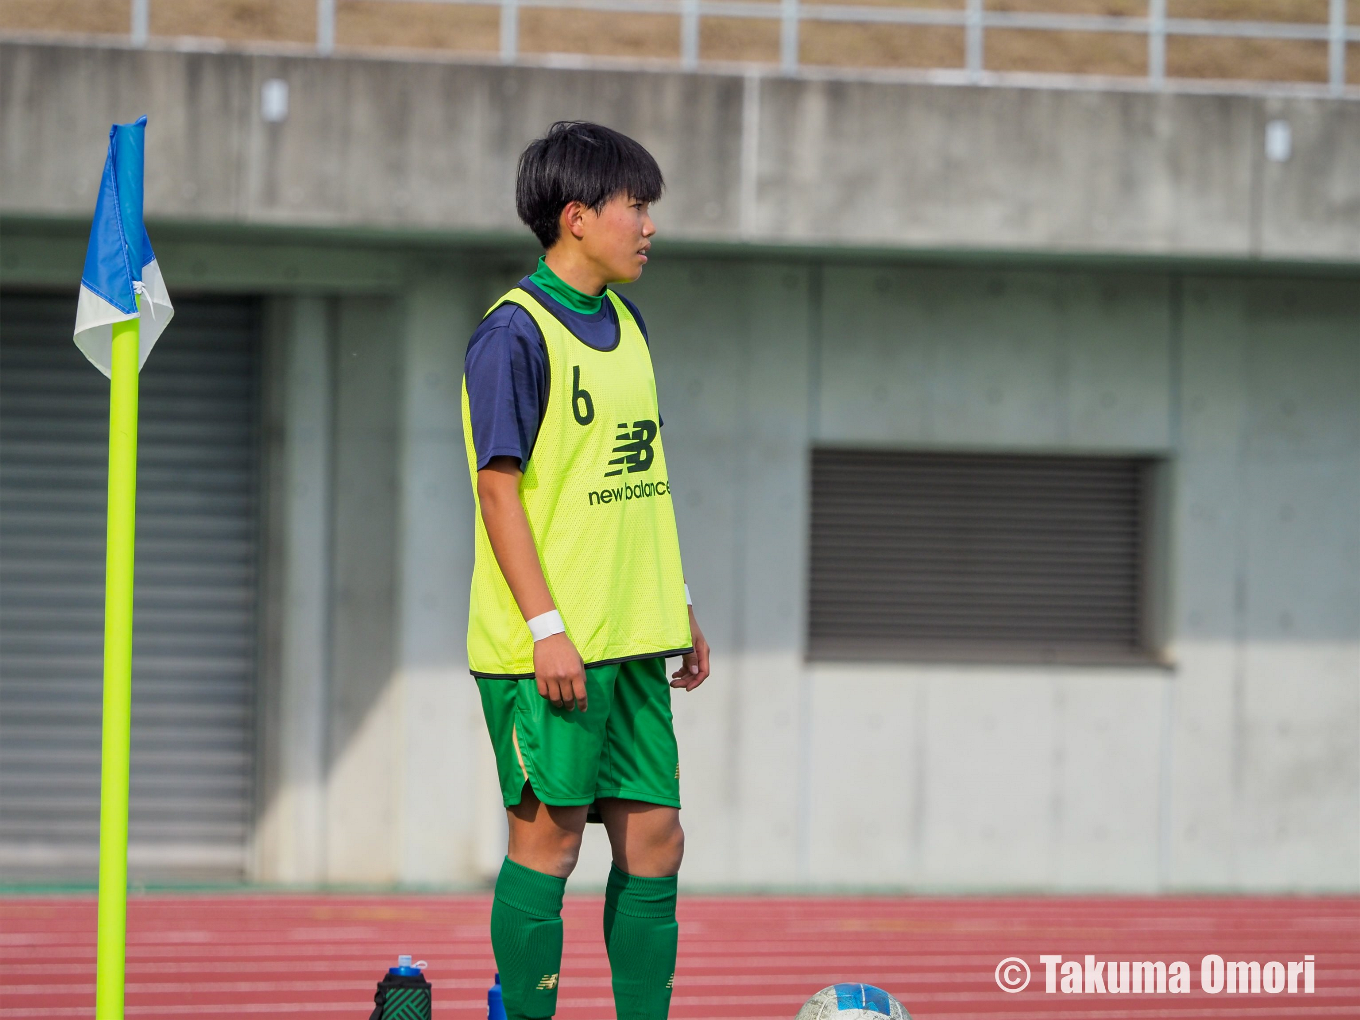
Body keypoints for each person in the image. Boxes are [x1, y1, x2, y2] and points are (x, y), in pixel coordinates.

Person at [461, 120, 711, 1020]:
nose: (649, 225)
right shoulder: (513, 336)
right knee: (551, 850)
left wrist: (676, 603)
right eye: (635, 206)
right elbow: (499, 494)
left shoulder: (630, 326)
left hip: (633, 636)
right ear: (576, 217)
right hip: (552, 648)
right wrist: (545, 630)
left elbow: (638, 476)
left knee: (657, 842)